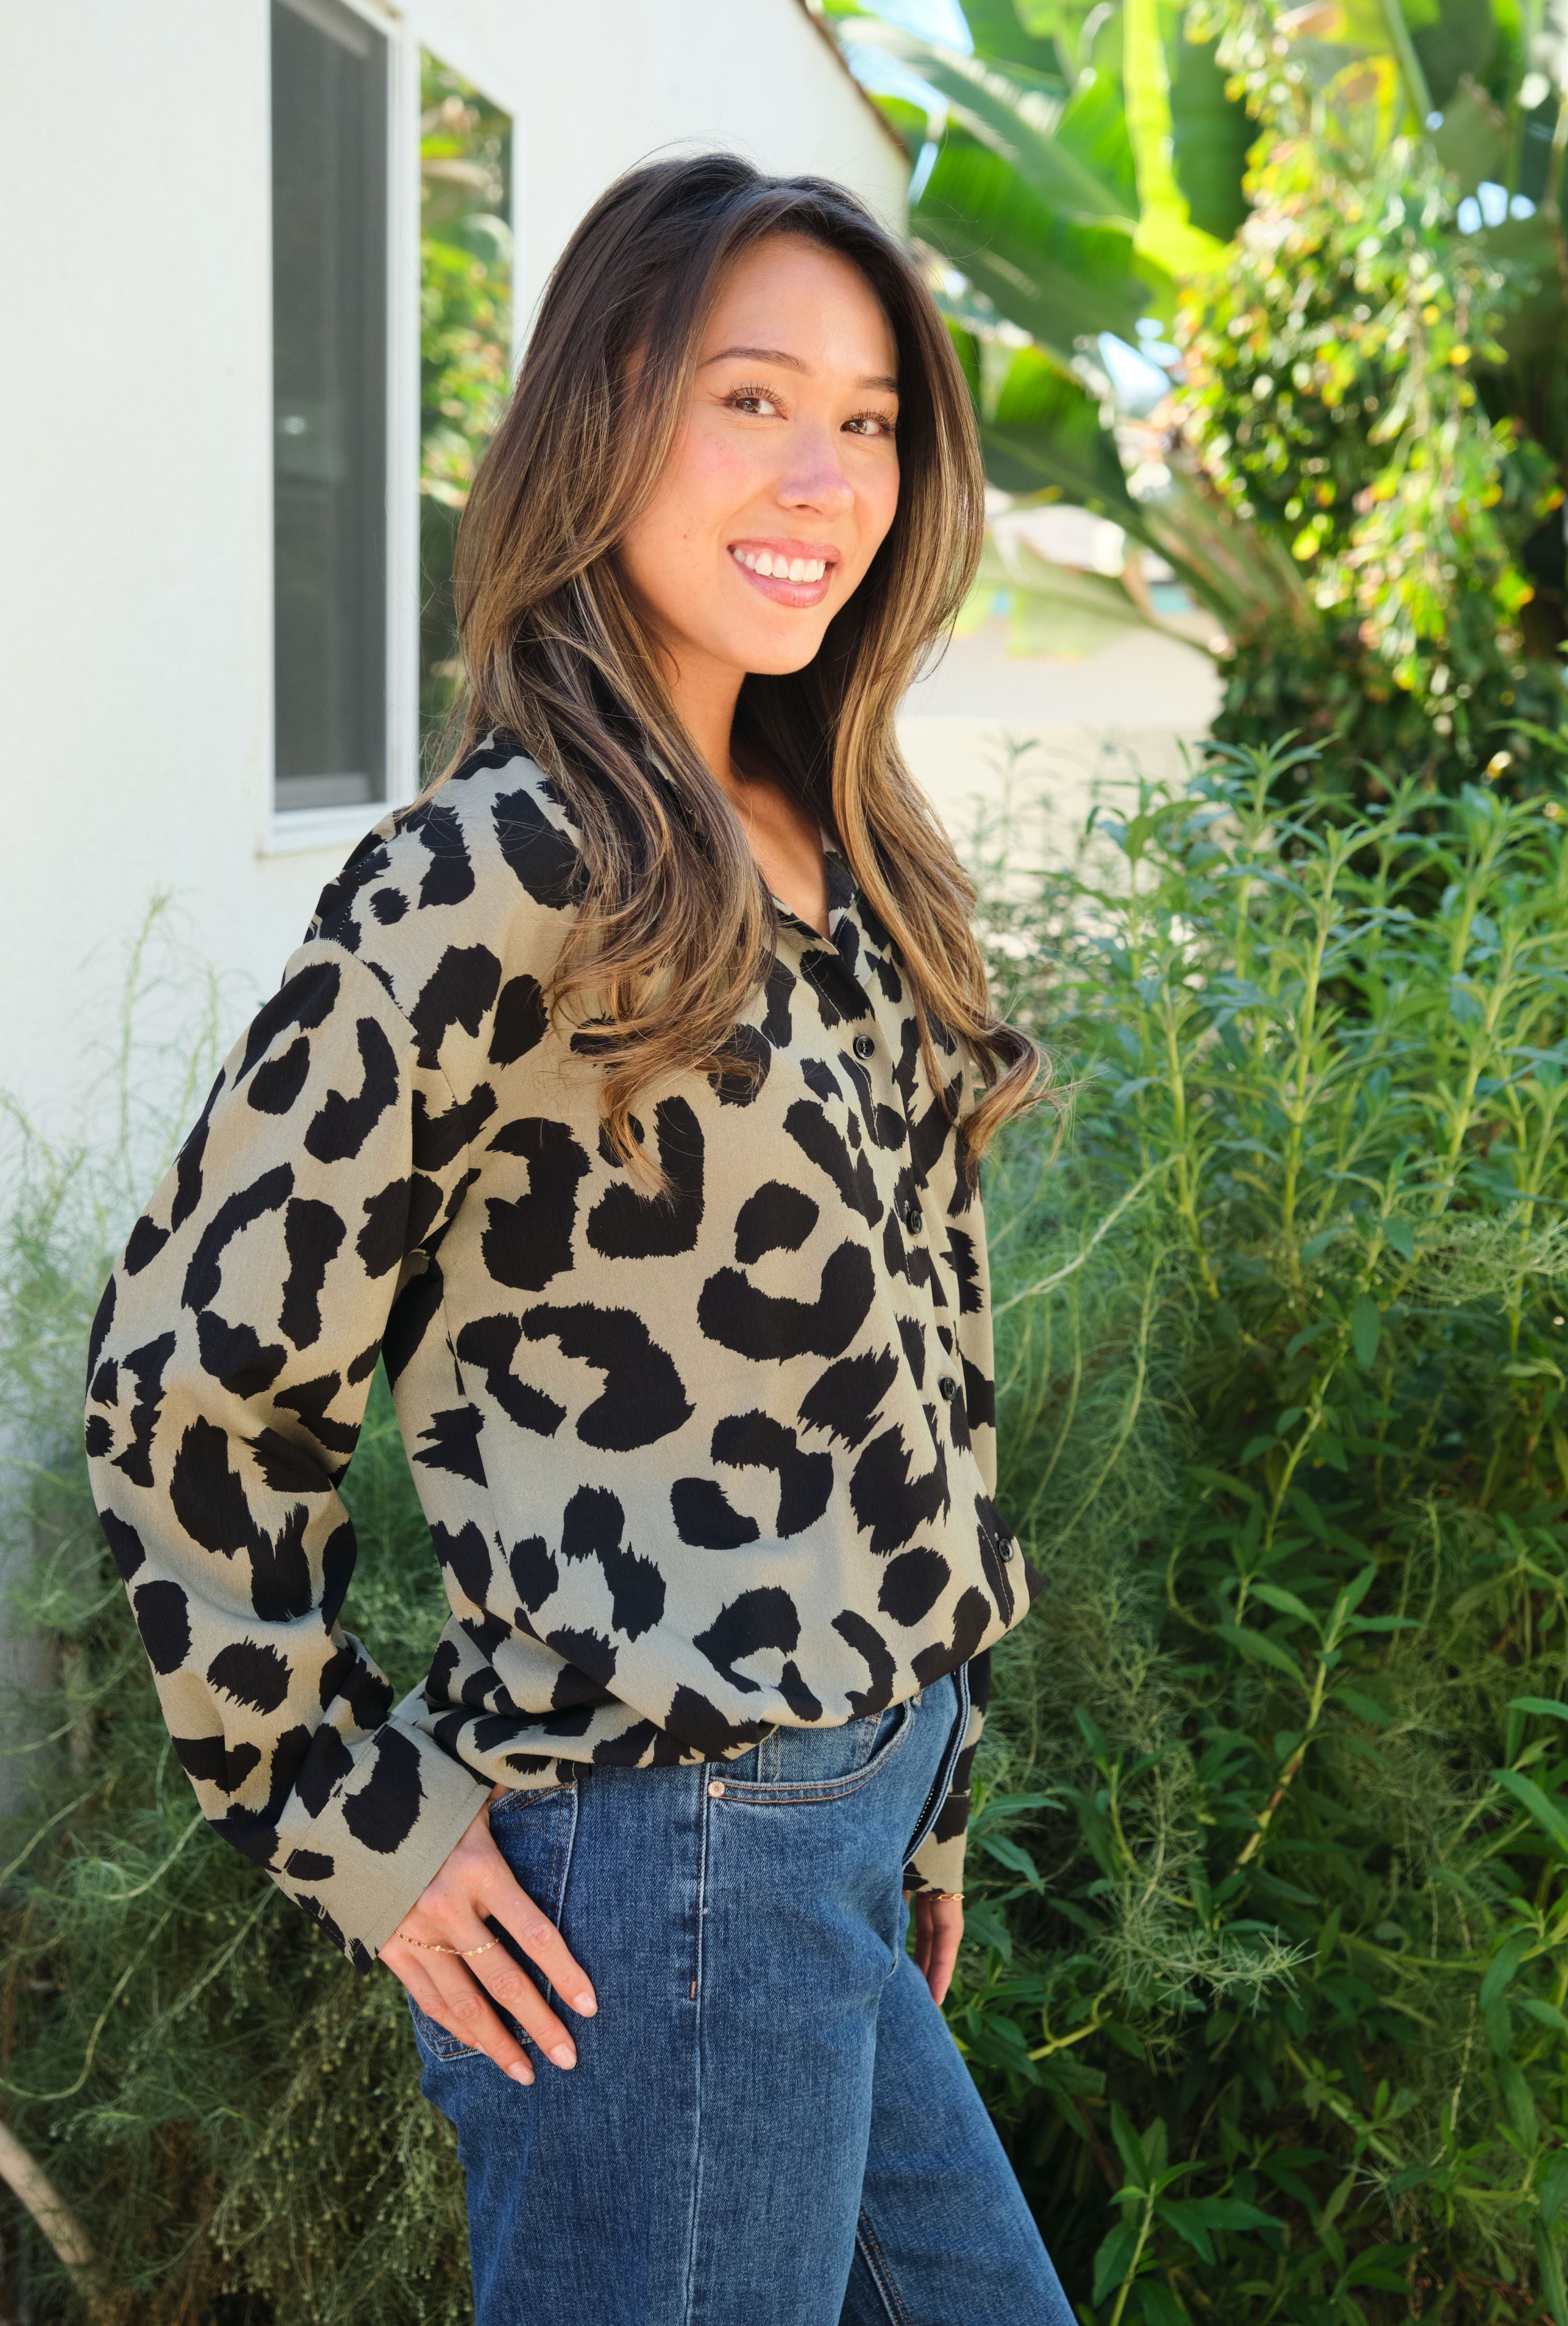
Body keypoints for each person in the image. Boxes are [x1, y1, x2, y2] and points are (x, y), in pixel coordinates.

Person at [84, 153, 1072, 2325]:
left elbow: (922, 1350)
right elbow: (190, 1369)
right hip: (671, 1865)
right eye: (752, 399)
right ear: (606, 414)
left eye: (870, 421)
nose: (825, 477)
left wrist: (930, 1789)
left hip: (844, 1823)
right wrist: (344, 1803)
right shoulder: (504, 868)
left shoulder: (843, 838)